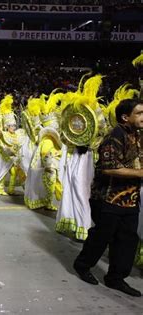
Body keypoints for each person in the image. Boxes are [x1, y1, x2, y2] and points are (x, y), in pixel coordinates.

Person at [73, 99, 143, 297]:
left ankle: (115, 278)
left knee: (127, 240)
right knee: (102, 237)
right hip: (107, 198)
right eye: (139, 113)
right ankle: (82, 265)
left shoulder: (136, 135)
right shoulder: (114, 137)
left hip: (130, 198)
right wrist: (140, 174)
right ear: (125, 117)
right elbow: (109, 168)